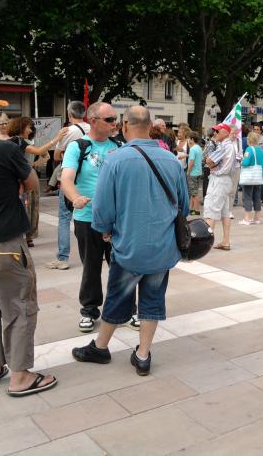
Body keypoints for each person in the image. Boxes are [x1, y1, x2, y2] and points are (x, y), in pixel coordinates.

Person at [72, 106, 189, 375]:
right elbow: (182, 206)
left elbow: (102, 208)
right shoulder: (171, 160)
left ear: (125, 126)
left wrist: (104, 229)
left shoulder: (115, 160)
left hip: (128, 246)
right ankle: (144, 354)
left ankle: (100, 347)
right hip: (162, 247)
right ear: (150, 126)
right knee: (153, 299)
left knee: (117, 297)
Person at [0, 87, 57, 396]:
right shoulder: (4, 150)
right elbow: (32, 185)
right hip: (2, 243)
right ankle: (20, 375)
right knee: (20, 307)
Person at [61, 102, 139, 332]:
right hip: (87, 218)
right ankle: (89, 310)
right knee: (91, 267)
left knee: (123, 266)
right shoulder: (79, 146)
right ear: (93, 120)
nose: (115, 123)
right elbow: (66, 178)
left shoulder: (120, 145)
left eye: (115, 119)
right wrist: (75, 197)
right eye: (109, 119)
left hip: (118, 220)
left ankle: (128, 310)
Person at [7, 117, 68, 247]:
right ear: (21, 127)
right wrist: (57, 138)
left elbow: (45, 155)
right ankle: (25, 235)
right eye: (28, 127)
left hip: (24, 176)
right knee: (27, 207)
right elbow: (42, 152)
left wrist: (33, 164)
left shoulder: (20, 142)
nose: (30, 130)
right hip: (22, 179)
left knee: (30, 206)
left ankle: (26, 235)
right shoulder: (17, 141)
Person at [46, 101, 90, 270]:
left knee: (64, 218)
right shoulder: (90, 129)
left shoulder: (67, 131)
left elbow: (57, 156)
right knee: (89, 215)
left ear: (69, 113)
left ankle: (63, 258)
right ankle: (96, 252)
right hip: (88, 178)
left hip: (70, 177)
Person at [203, 123, 236, 250]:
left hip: (219, 180)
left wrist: (210, 163)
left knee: (212, 211)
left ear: (226, 133)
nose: (215, 134)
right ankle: (226, 241)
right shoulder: (229, 146)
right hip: (224, 180)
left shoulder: (224, 146)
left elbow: (208, 161)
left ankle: (205, 243)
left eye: (218, 131)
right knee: (224, 212)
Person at [239, 131, 263, 225]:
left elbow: (245, 163)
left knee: (247, 197)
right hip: (258, 177)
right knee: (257, 197)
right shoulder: (260, 150)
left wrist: (241, 161)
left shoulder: (249, 149)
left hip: (249, 177)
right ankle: (257, 218)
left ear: (249, 140)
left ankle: (247, 218)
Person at [187, 131, 203, 215]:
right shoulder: (199, 148)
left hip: (193, 173)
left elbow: (191, 161)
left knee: (194, 193)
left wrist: (188, 171)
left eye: (189, 138)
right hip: (199, 172)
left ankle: (196, 210)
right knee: (194, 191)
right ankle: (192, 208)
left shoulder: (192, 149)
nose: (188, 140)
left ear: (192, 139)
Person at [228, 128, 243, 218]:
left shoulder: (238, 141)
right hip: (226, 168)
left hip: (236, 167)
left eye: (235, 133)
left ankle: (229, 211)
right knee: (225, 190)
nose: (234, 135)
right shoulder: (225, 142)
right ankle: (223, 210)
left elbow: (240, 153)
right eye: (232, 133)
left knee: (233, 190)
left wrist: (239, 158)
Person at [202, 128, 217, 198]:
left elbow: (204, 154)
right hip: (215, 165)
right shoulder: (217, 143)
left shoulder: (209, 143)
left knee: (206, 182)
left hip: (207, 165)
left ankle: (206, 196)